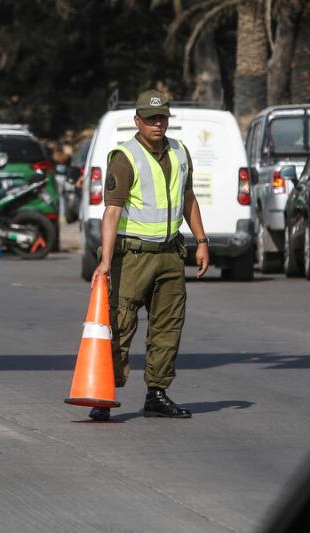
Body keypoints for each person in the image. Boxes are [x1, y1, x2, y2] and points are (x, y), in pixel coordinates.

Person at [89, 89, 210, 421]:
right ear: (138, 121)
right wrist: (105, 262)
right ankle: (103, 394)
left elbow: (188, 198)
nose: (158, 124)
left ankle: (157, 394)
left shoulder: (180, 152)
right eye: (151, 118)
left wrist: (201, 240)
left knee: (168, 326)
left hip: (170, 254)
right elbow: (111, 213)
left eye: (162, 118)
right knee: (120, 324)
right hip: (133, 257)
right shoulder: (125, 157)